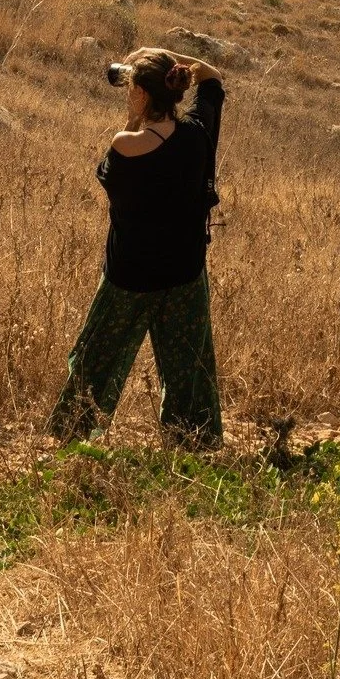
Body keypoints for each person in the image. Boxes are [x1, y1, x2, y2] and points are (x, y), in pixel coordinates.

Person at [48, 46, 225, 449]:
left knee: (96, 362)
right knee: (188, 371)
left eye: (131, 88)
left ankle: (74, 436)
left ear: (142, 95)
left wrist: (131, 120)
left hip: (128, 277)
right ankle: (193, 444)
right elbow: (212, 78)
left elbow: (108, 175)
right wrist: (166, 55)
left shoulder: (124, 147)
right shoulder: (197, 136)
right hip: (184, 274)